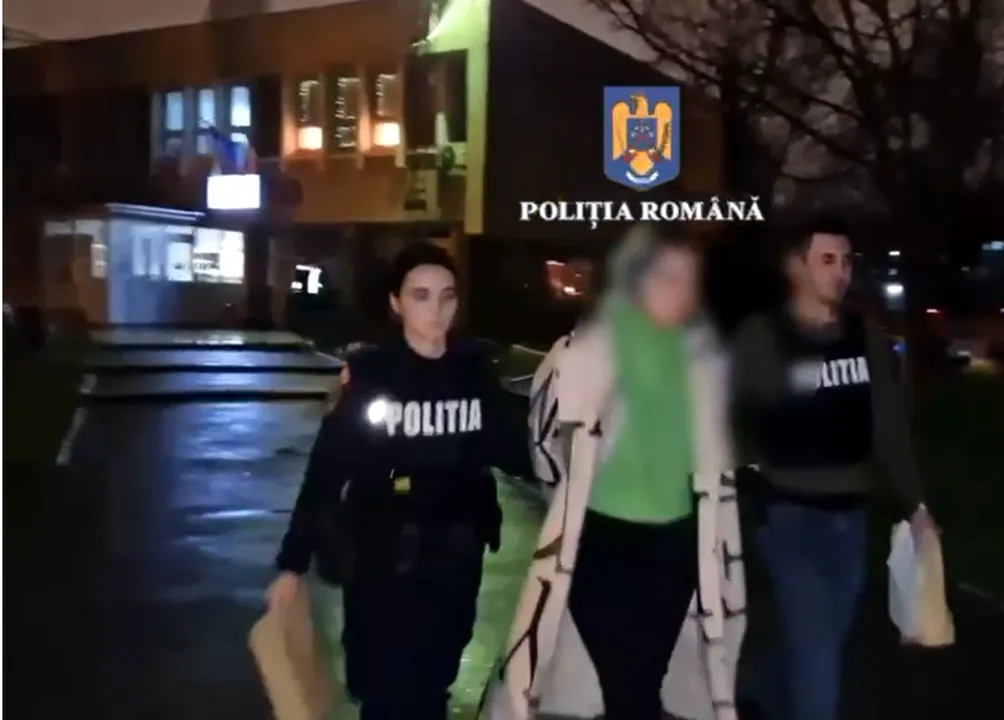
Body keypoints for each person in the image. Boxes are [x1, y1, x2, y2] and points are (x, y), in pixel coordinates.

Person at [481, 224, 746, 720]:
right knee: (625, 686)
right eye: (668, 277)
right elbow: (545, 449)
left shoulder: (700, 361)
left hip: (674, 545)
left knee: (644, 682)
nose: (681, 291)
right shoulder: (584, 352)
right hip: (602, 545)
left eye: (689, 279)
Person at [266, 241, 530, 720]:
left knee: (434, 684)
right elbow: (328, 468)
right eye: (420, 296)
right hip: (382, 562)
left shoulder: (473, 373)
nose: (436, 310)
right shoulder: (372, 375)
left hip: (455, 560)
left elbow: (516, 451)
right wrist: (292, 562)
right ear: (396, 302)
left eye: (447, 296)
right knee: (384, 692)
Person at [732, 216, 936, 720]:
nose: (841, 272)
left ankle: (759, 692)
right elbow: (732, 410)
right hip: (787, 518)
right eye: (827, 260)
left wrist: (916, 505)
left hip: (849, 521)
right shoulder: (764, 336)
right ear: (795, 267)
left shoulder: (864, 337)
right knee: (817, 646)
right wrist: (744, 472)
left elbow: (888, 425)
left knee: (822, 639)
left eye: (846, 261)